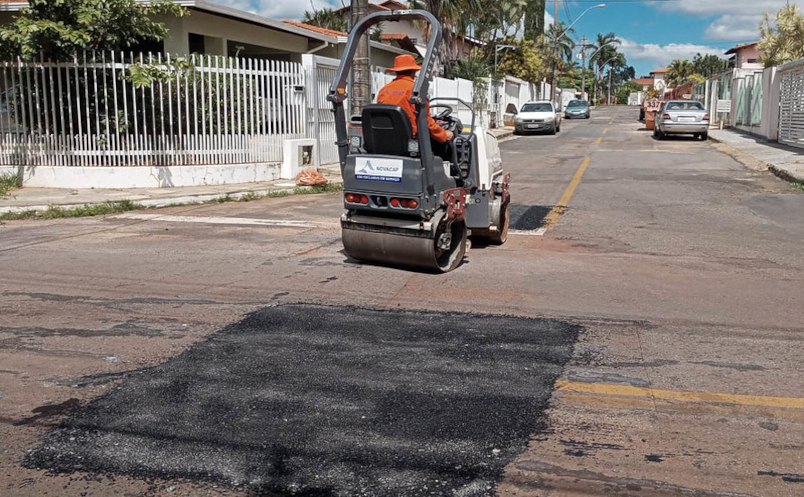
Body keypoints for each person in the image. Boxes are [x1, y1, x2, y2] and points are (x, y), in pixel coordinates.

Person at [377, 54, 454, 146]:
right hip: (410, 141)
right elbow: (425, 121)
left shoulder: (384, 90)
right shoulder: (415, 90)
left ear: (396, 72)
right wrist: (443, 135)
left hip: (386, 139)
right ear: (413, 71)